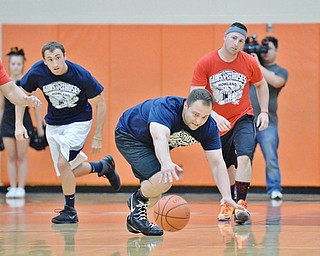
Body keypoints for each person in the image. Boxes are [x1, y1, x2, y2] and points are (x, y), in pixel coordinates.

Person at [15, 41, 121, 224]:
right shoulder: (37, 72)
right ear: (44, 61)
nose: (55, 63)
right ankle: (102, 167)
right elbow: (20, 95)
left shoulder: (80, 75)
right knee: (66, 171)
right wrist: (19, 124)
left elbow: (100, 103)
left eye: (58, 58)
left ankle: (70, 211)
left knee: (64, 164)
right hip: (54, 124)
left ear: (65, 56)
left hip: (78, 122)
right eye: (50, 60)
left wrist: (97, 136)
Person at [115, 88, 243, 236]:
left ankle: (135, 219)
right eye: (195, 114)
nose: (198, 121)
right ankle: (136, 200)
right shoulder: (167, 108)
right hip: (130, 135)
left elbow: (217, 162)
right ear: (186, 106)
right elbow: (159, 138)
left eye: (204, 117)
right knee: (162, 180)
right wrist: (166, 162)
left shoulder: (208, 127)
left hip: (153, 145)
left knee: (156, 193)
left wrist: (226, 195)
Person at [190, 22, 269, 224]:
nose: (237, 43)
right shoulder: (206, 62)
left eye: (241, 41)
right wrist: (213, 116)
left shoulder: (249, 62)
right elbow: (194, 95)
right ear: (225, 36)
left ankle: (240, 203)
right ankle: (228, 202)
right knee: (227, 165)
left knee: (245, 156)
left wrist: (265, 111)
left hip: (243, 116)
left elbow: (261, 84)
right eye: (234, 38)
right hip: (216, 121)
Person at [0, 47, 44, 199]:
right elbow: (1, 107)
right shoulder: (4, 84)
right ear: (9, 65)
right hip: (7, 121)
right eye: (13, 64)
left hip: (24, 121)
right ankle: (12, 187)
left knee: (22, 156)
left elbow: (36, 108)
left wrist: (40, 131)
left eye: (18, 64)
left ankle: (21, 187)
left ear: (23, 65)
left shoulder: (28, 82)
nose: (16, 67)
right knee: (11, 156)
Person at [250, 36, 288, 200]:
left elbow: (276, 82)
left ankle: (274, 189)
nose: (264, 53)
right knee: (244, 157)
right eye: (262, 50)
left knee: (271, 156)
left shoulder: (280, 71)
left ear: (276, 50)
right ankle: (238, 189)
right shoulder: (249, 68)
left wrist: (257, 65)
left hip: (268, 123)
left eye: (268, 49)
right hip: (247, 123)